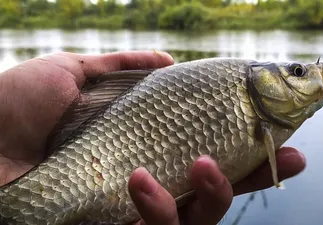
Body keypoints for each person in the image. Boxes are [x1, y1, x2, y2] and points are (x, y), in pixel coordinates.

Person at [0, 51, 306, 225]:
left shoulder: (269, 118)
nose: (313, 76)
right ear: (260, 80)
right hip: (90, 163)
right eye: (298, 72)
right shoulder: (250, 98)